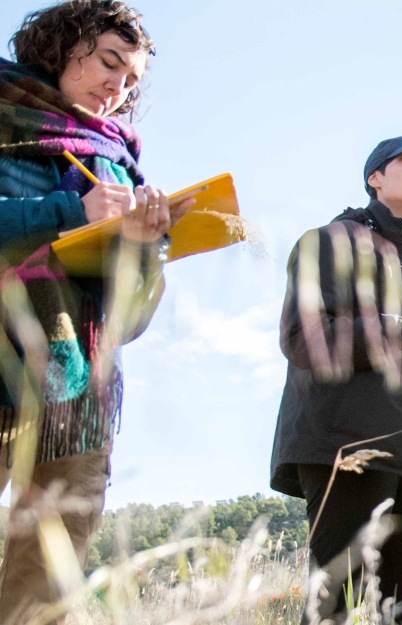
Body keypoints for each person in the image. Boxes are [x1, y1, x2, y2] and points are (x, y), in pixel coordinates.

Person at [0, 1, 189, 621]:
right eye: (110, 63)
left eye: (131, 80)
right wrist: (69, 214)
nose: (118, 87)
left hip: (77, 392)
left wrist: (146, 253)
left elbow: (128, 323)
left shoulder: (118, 166)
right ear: (62, 46)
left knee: (47, 580)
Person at [270, 134, 402, 624]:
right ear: (374, 178)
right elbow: (303, 337)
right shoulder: (329, 241)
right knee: (334, 609)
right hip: (347, 445)